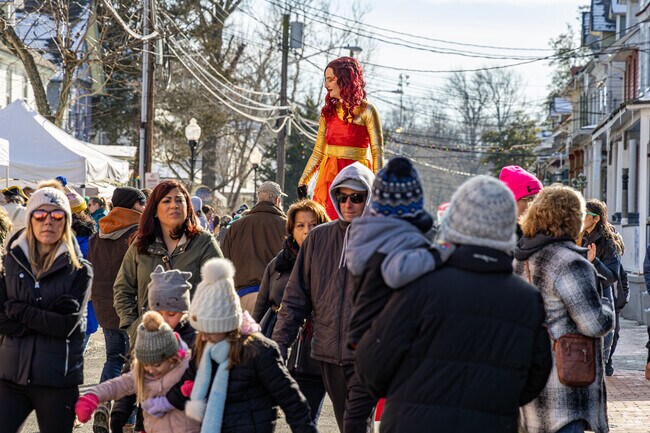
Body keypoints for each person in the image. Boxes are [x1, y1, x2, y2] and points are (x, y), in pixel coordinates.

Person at [355, 176, 552, 433]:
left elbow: (373, 364)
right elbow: (536, 375)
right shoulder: (526, 299)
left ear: (455, 223)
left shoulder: (420, 282)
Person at [274, 162, 377, 433]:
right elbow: (296, 298)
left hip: (366, 357)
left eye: (357, 197)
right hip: (327, 353)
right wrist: (278, 346)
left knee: (356, 426)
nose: (348, 204)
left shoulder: (381, 239)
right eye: (342, 197)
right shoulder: (318, 238)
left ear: (370, 197)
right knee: (344, 423)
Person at [514, 184, 614, 433]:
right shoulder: (570, 262)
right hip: (564, 392)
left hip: (527, 382)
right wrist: (606, 306)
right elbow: (594, 323)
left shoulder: (519, 259)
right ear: (573, 219)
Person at [181, 258, 317, 433]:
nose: (204, 336)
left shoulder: (259, 351)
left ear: (227, 325)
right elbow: (186, 383)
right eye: (201, 330)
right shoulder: (203, 348)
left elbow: (290, 399)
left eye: (209, 329)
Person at [0, 186, 93, 433]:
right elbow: (0, 319)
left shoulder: (80, 270)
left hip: (58, 380)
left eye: (57, 215)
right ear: (30, 219)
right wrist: (47, 313)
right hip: (11, 377)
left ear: (67, 221)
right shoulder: (11, 260)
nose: (48, 221)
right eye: (40, 215)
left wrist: (17, 308)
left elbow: (65, 325)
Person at [346, 157, 452, 350]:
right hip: (385, 341)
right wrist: (442, 250)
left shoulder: (366, 234)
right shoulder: (399, 240)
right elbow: (398, 271)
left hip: (365, 337)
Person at [114, 179, 222, 342]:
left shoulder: (203, 242)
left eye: (180, 200)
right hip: (148, 342)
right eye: (166, 201)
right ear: (155, 210)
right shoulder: (141, 245)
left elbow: (221, 288)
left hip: (194, 343)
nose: (174, 205)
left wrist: (204, 329)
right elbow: (123, 288)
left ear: (188, 207)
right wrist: (133, 326)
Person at [253, 199, 330, 422]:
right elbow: (260, 307)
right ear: (291, 229)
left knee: (310, 417)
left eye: (313, 225)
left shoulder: (333, 261)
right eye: (300, 226)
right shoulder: (278, 264)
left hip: (317, 352)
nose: (307, 231)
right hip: (282, 348)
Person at [74, 311, 200, 433]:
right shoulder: (144, 373)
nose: (151, 370)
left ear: (172, 357)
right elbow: (116, 385)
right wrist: (92, 397)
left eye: (157, 364)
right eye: (146, 364)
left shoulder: (186, 368)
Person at [86, 186, 146, 430]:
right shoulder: (138, 232)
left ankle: (102, 403)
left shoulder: (98, 233)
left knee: (113, 356)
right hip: (130, 303)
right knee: (132, 361)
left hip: (103, 302)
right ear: (132, 205)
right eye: (142, 203)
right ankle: (127, 419)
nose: (145, 207)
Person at [110, 265, 196, 433]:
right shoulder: (146, 335)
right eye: (158, 313)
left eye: (171, 314)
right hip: (149, 423)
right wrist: (119, 413)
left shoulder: (194, 339)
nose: (163, 320)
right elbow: (130, 375)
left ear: (184, 312)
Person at [297, 56, 384, 220]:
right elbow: (318, 152)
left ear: (344, 79)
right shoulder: (327, 113)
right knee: (326, 225)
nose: (326, 84)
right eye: (325, 79)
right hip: (329, 176)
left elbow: (377, 153)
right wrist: (303, 180)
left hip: (356, 177)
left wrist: (378, 188)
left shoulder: (367, 111)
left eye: (330, 79)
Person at [222, 181, 287, 313]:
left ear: (259, 198)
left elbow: (224, 260)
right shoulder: (287, 225)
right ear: (277, 200)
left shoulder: (237, 226)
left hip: (243, 295)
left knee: (248, 334)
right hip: (276, 297)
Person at [580, 199, 622, 377]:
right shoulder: (578, 236)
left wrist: (594, 261)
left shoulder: (608, 241)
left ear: (595, 218)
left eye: (585, 214)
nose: (581, 217)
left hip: (601, 295)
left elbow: (612, 277)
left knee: (603, 341)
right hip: (581, 295)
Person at [499, 165, 543, 238]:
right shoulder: (494, 241)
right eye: (530, 199)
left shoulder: (550, 233)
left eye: (540, 199)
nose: (538, 205)